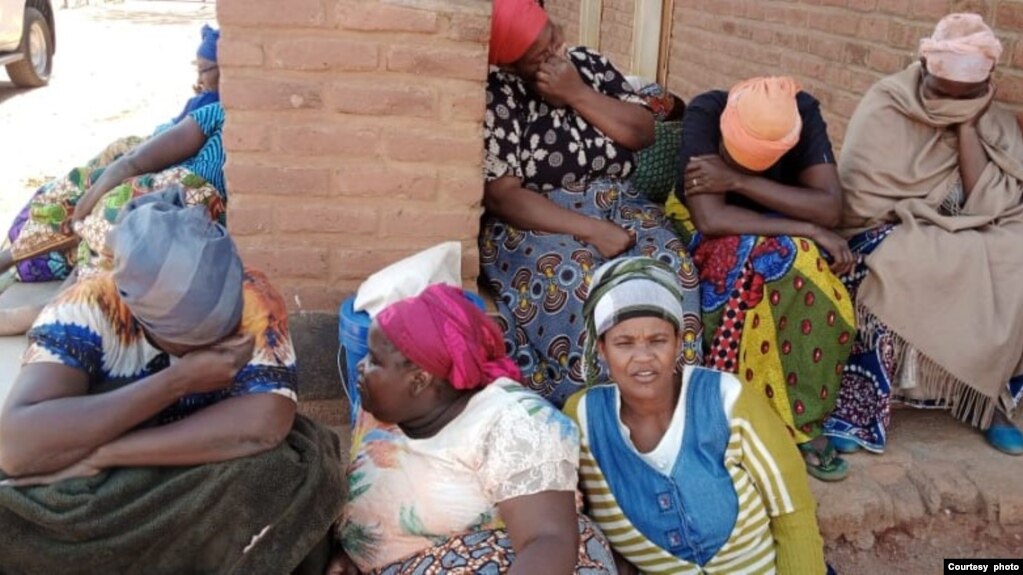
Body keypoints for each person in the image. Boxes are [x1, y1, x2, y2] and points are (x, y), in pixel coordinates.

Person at [0, 198, 344, 573]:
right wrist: (177, 380)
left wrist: (105, 455)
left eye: (226, 323)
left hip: (193, 452)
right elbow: (17, 449)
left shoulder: (253, 295)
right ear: (144, 319)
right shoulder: (85, 309)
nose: (225, 338)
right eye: (201, 336)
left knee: (288, 472)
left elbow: (262, 425)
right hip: (107, 474)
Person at [480, 0, 702, 407]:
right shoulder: (501, 94)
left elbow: (642, 133)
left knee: (673, 270)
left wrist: (577, 93)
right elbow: (503, 195)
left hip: (621, 203)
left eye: (553, 36)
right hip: (540, 221)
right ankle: (599, 414)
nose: (557, 52)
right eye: (540, 57)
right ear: (512, 66)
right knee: (581, 283)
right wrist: (592, 230)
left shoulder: (591, 66)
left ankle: (673, 408)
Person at [824, 13, 1023, 456]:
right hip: (886, 229)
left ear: (985, 87)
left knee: (1015, 257)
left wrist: (967, 125)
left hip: (964, 229)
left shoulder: (991, 121)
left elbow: (986, 205)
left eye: (966, 96)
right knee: (902, 263)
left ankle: (985, 399)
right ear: (924, 68)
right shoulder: (887, 102)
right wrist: (922, 216)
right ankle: (860, 408)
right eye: (942, 95)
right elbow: (860, 206)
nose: (953, 102)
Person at [564, 257, 828, 574]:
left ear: (678, 343)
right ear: (602, 350)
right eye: (624, 343)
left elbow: (794, 515)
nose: (643, 357)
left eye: (657, 340)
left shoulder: (727, 400)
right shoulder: (585, 421)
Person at [330, 283, 616, 575]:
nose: (361, 367)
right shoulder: (384, 411)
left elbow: (548, 541)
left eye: (375, 360)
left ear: (419, 380)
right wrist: (355, 551)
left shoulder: (515, 423)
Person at [664, 76, 854, 480]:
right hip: (708, 228)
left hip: (778, 223)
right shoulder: (706, 113)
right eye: (734, 159)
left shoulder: (801, 113)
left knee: (804, 266)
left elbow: (830, 208)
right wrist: (809, 230)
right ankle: (743, 410)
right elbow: (711, 217)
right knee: (766, 259)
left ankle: (803, 416)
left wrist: (739, 181)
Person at [1, 23, 222, 285]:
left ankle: (58, 290)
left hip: (177, 206)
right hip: (169, 200)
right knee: (86, 193)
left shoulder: (214, 112)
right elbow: (135, 159)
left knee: (102, 208)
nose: (198, 80)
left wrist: (86, 205)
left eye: (204, 71)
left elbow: (135, 162)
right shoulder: (212, 111)